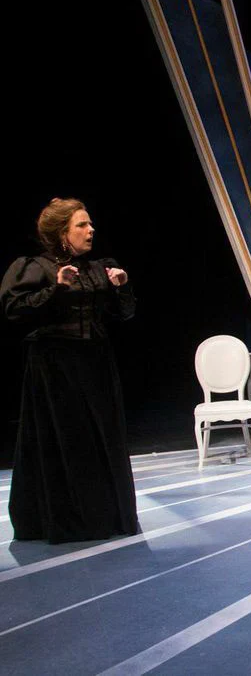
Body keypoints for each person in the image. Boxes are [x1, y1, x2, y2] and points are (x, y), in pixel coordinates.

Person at [1, 198, 139, 543]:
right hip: (55, 366)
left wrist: (121, 287)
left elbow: (123, 314)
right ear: (63, 233)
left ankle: (108, 516)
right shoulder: (35, 267)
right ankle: (71, 519)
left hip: (96, 363)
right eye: (82, 225)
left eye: (90, 224)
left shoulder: (99, 268)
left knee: (103, 437)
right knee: (67, 439)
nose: (91, 230)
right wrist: (57, 289)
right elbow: (15, 311)